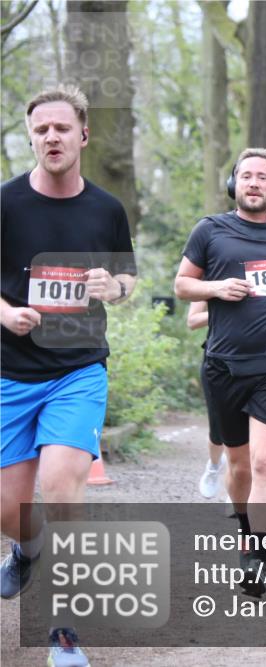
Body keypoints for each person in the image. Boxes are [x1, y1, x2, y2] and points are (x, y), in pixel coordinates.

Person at [1, 84, 136, 667]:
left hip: (78, 369)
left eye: (62, 128)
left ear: (82, 135)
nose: (51, 137)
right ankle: (27, 548)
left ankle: (65, 631)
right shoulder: (5, 204)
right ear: (31, 137)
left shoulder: (106, 209)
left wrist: (115, 287)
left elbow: (128, 280)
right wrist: (5, 313)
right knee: (10, 509)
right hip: (10, 372)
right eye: (41, 129)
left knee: (61, 487)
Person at [174, 147, 266, 597]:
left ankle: (260, 554)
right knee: (237, 466)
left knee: (263, 460)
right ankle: (245, 534)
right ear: (234, 183)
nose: (255, 183)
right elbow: (181, 285)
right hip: (222, 366)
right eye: (246, 176)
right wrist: (216, 287)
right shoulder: (210, 230)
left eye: (263, 177)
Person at [186, 300, 226, 499]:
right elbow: (192, 320)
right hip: (218, 361)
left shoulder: (263, 271)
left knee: (252, 432)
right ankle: (214, 466)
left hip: (260, 361)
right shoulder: (211, 275)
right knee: (218, 431)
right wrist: (230, 311)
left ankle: (239, 492)